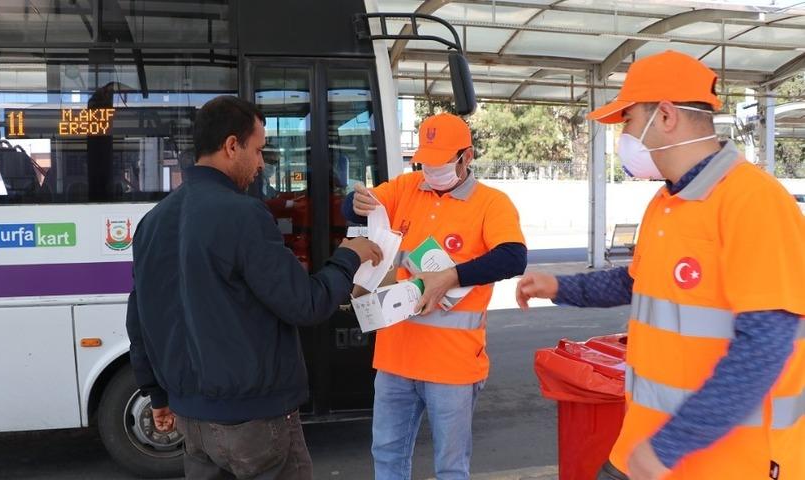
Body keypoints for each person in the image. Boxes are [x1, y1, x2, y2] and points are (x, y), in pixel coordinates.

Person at [516, 50, 805, 480]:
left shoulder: (754, 202)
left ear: (666, 116)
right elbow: (637, 282)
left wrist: (668, 448)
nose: (625, 138)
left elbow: (764, 346)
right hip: (648, 448)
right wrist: (558, 287)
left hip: (729, 461)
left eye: (629, 121)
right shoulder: (667, 201)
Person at [126, 95, 383, 480]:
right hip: (254, 422)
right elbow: (306, 304)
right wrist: (349, 256)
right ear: (232, 146)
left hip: (190, 420)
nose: (262, 163)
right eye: (259, 150)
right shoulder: (244, 215)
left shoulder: (152, 222)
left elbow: (140, 318)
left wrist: (157, 394)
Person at [342, 112, 528, 480]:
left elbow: (514, 256)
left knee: (450, 468)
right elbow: (356, 206)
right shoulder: (406, 187)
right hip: (395, 358)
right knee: (387, 457)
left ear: (467, 156)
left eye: (440, 162)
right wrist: (354, 202)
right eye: (425, 161)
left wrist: (451, 276)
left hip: (452, 366)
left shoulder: (492, 203)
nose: (431, 169)